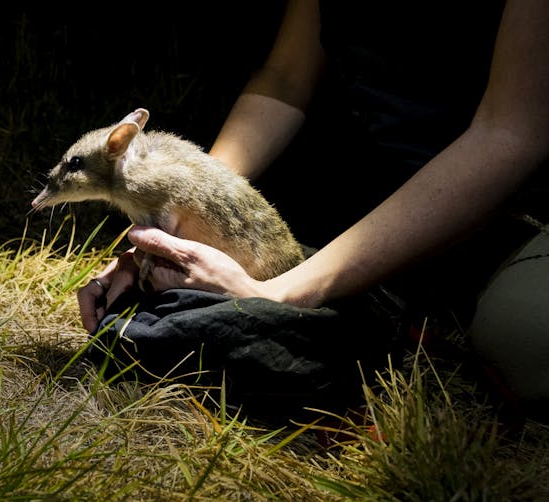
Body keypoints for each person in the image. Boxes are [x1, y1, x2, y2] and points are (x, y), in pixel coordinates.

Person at [79, 1, 549, 419]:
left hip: (506, 209)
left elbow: (509, 135)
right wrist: (182, 223)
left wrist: (284, 293)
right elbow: (286, 80)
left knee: (529, 333)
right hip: (358, 182)